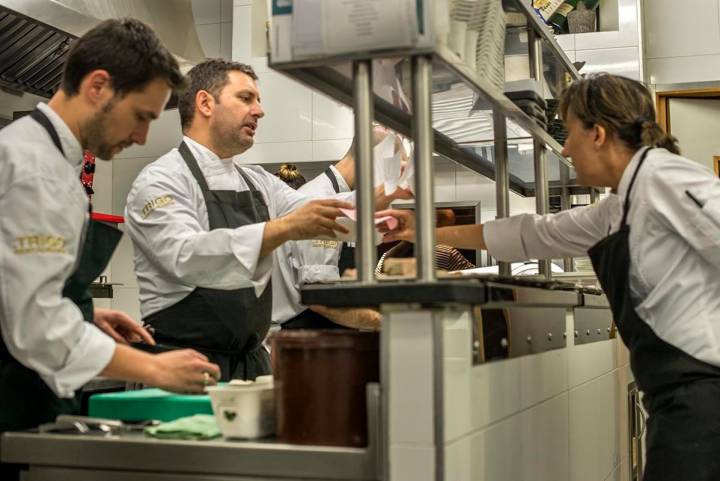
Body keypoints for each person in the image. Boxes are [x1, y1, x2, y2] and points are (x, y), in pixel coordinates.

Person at [380, 73, 720, 481]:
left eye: (571, 132)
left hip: (703, 390)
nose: (566, 147)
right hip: (677, 393)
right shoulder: (619, 204)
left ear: (598, 134)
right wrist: (416, 230)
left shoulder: (664, 178)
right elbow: (533, 234)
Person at [0, 19, 221, 438]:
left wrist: (86, 313)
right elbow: (36, 326)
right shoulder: (38, 171)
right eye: (140, 116)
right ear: (98, 86)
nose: (141, 137)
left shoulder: (39, 156)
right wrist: (152, 366)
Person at [124, 59, 360, 382]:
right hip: (181, 370)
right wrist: (285, 227)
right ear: (205, 103)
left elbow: (318, 210)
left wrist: (386, 198)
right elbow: (186, 256)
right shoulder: (162, 179)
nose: (260, 111)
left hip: (251, 368)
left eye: (258, 101)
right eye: (246, 98)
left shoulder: (257, 182)